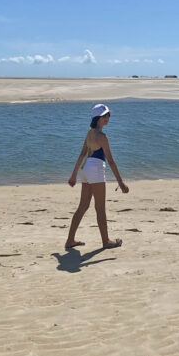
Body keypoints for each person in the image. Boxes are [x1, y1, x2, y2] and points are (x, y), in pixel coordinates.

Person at [65, 103, 129, 250]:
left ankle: (70, 240)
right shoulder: (102, 137)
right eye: (106, 115)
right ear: (99, 118)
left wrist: (74, 175)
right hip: (96, 170)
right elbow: (111, 161)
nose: (108, 117)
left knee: (83, 206)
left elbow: (82, 154)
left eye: (108, 115)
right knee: (100, 208)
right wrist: (121, 183)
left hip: (86, 170)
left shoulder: (89, 133)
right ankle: (106, 241)